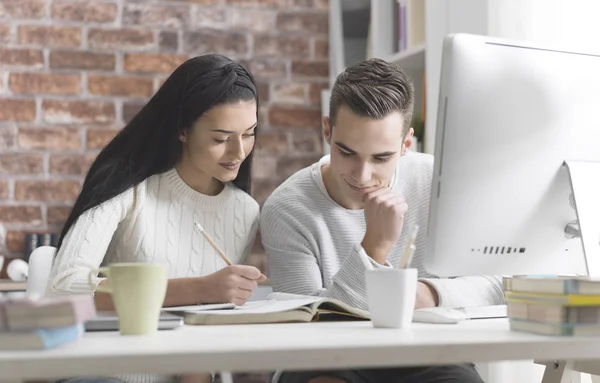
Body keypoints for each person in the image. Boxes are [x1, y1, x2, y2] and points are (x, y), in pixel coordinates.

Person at [260, 58, 505, 383]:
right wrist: (374, 247)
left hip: (427, 353)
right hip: (325, 361)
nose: (362, 176)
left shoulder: (437, 183)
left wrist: (424, 294)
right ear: (326, 130)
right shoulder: (288, 208)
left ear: (406, 144)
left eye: (381, 157)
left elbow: (497, 282)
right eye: (347, 152)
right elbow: (310, 332)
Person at [48, 54, 264, 383]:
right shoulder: (126, 189)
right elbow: (64, 289)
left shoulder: (244, 210)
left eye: (249, 134)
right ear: (182, 130)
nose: (238, 152)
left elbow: (208, 327)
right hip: (104, 375)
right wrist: (200, 288)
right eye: (221, 138)